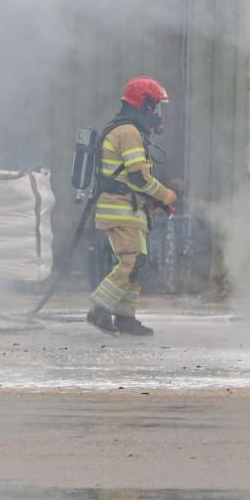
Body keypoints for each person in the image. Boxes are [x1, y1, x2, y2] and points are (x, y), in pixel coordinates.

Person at [86, 76, 178, 337]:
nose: (158, 114)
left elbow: (129, 178)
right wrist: (166, 195)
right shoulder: (128, 132)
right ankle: (99, 308)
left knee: (139, 263)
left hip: (131, 208)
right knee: (133, 261)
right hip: (121, 209)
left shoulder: (128, 130)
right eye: (157, 107)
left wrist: (154, 200)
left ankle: (125, 318)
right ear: (145, 105)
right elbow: (138, 177)